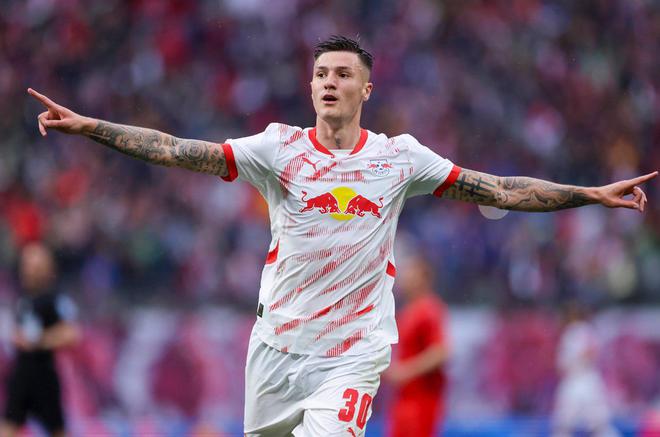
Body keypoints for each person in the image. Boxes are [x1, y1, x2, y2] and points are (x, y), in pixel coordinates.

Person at [26, 35, 656, 436]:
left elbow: (496, 189)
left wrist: (589, 193)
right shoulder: (277, 149)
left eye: (343, 73)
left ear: (366, 89)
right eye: (321, 73)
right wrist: (92, 127)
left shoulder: (400, 158)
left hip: (352, 353)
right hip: (276, 348)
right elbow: (177, 149)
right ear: (310, 86)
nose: (329, 81)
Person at [0, 243, 81, 437]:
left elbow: (72, 334)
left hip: (44, 376)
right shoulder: (23, 299)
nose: (28, 271)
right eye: (26, 265)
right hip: (22, 375)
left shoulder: (56, 300)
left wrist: (39, 342)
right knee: (8, 427)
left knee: (57, 430)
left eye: (34, 266)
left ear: (48, 269)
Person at [384, 257, 449, 437]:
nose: (405, 276)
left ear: (423, 278)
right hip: (403, 398)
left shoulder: (429, 309)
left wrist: (405, 372)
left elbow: (440, 352)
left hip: (421, 400)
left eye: (411, 272)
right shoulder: (407, 311)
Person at [552, 302, 619, 437]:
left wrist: (576, 363)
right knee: (599, 427)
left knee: (564, 427)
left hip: (576, 381)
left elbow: (587, 353)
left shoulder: (574, 331)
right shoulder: (590, 330)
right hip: (591, 380)